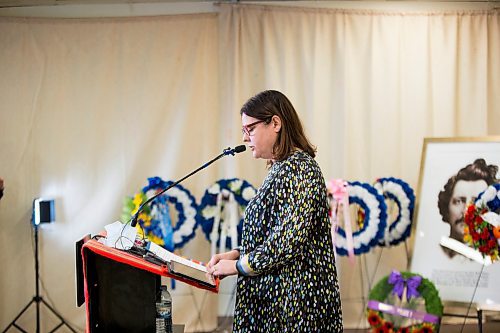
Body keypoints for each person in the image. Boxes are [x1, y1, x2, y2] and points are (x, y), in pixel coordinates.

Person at [206, 90, 343, 332]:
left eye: (250, 129)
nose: (246, 138)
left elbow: (287, 240)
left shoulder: (301, 169)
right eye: (243, 132)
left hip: (296, 306)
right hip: (277, 302)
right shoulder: (281, 168)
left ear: (276, 123)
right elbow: (272, 233)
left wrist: (238, 266)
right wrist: (238, 254)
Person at [437, 158, 499, 258]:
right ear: (446, 207)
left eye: (477, 202)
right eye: (459, 201)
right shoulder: (437, 253)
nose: (466, 211)